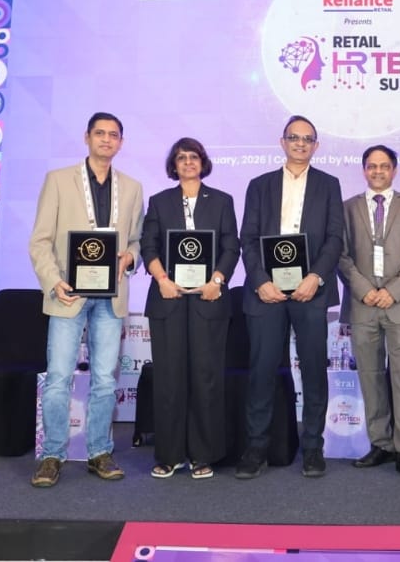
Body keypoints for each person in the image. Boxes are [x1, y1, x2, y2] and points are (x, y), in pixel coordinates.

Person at [28, 112, 144, 488]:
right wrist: (54, 281)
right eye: (100, 133)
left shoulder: (132, 188)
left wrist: (130, 257)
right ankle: (52, 455)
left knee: (105, 381)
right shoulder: (58, 180)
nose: (106, 139)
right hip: (68, 295)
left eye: (113, 135)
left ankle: (99, 452)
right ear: (87, 137)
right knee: (58, 379)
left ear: (121, 142)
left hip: (110, 298)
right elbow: (40, 241)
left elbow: (137, 241)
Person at [236, 115, 344, 479]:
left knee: (314, 370)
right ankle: (256, 448)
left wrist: (316, 276)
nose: (300, 143)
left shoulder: (329, 184)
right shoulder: (259, 185)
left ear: (316, 146)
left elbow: (335, 238)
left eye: (307, 139)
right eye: (294, 137)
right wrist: (259, 281)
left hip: (310, 291)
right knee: (262, 371)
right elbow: (248, 238)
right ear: (282, 142)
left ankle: (313, 448)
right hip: (266, 292)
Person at [140, 138, 239, 480]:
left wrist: (217, 281)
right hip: (168, 299)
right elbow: (148, 245)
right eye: (181, 158)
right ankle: (169, 456)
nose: (187, 162)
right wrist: (162, 279)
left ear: (202, 162)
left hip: (208, 300)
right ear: (174, 165)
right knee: (169, 379)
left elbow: (231, 246)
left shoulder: (222, 201)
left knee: (205, 378)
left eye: (193, 157)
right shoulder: (159, 201)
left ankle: (203, 455)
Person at [337, 145, 400, 482]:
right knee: (371, 377)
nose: (378, 171)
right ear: (364, 170)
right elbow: (341, 256)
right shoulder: (347, 208)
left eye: (384, 166)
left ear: (395, 170)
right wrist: (366, 290)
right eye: (372, 166)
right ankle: (381, 444)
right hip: (363, 304)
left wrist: (393, 290)